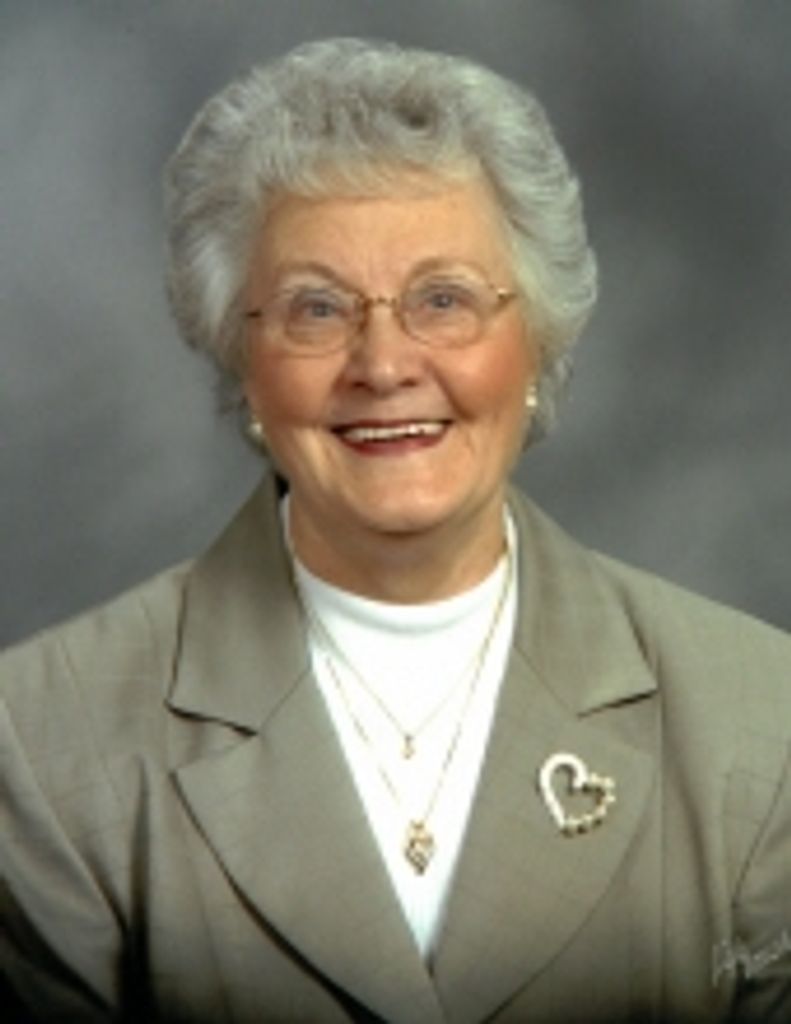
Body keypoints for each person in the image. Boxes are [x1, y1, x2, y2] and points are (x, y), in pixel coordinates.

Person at [1, 37, 790, 1024]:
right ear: (242, 358)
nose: (382, 364)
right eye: (316, 308)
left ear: (535, 339)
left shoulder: (761, 723)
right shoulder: (43, 740)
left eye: (442, 299)